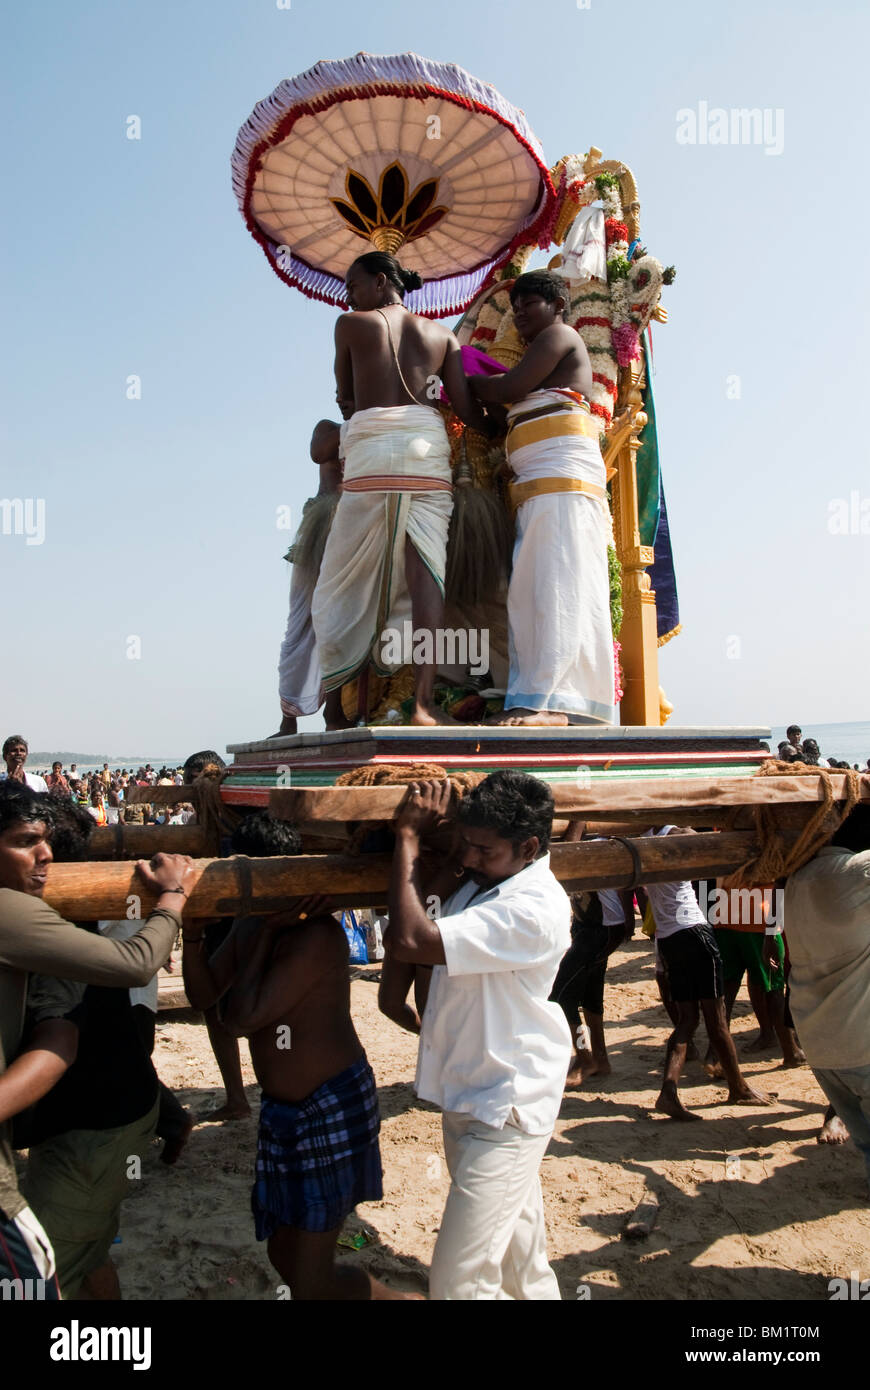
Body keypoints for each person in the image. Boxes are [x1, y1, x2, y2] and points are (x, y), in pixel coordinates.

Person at [182, 810, 411, 1300]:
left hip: (329, 1106)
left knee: (308, 1277)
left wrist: (260, 935)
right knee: (283, 1257)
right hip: (285, 1112)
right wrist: (196, 933)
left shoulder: (315, 936)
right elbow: (203, 998)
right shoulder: (252, 924)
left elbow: (239, 1020)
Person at [0, 779, 196, 1295]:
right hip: (90, 1119)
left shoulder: (41, 929)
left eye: (42, 847)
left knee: (41, 1278)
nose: (40, 859)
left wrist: (173, 898)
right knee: (85, 1254)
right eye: (26, 843)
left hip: (97, 1124)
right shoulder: (53, 925)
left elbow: (64, 1038)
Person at [386, 770, 572, 1299]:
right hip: (470, 1094)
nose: (468, 857)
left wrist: (407, 836)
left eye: (483, 849)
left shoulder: (531, 908)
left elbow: (409, 937)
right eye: (465, 843)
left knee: (458, 1281)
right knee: (521, 1265)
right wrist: (449, 853)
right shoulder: (485, 879)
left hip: (506, 1108)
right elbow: (425, 906)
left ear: (529, 846)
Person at [311, 250, 491, 728]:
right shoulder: (444, 336)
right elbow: (468, 409)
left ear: (380, 281)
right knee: (426, 574)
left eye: (353, 284)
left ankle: (334, 709)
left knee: (340, 581)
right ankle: (424, 705)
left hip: (373, 450)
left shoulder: (350, 324)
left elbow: (348, 402)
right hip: (427, 452)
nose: (347, 295)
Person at [469, 271, 615, 727]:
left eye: (528, 303)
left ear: (557, 305)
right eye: (515, 305)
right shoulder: (540, 357)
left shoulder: (561, 335)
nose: (519, 312)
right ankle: (535, 694)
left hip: (562, 479)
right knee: (533, 589)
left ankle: (554, 703)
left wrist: (462, 371)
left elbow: (508, 389)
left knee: (558, 584)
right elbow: (499, 412)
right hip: (537, 486)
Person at [644, 827, 771, 1121]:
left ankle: (669, 1092)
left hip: (669, 937)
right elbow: (708, 841)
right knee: (717, 1019)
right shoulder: (677, 832)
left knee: (688, 1019)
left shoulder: (644, 839)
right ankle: (738, 1087)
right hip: (695, 933)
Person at [782, 804, 870, 1185]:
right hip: (860, 1044)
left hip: (819, 1047)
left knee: (865, 1140)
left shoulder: (795, 881)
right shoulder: (856, 874)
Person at [273, 419, 343, 736]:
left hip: (358, 531)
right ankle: (288, 720)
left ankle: (338, 712)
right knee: (300, 625)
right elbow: (319, 452)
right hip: (320, 530)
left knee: (343, 621)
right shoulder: (329, 428)